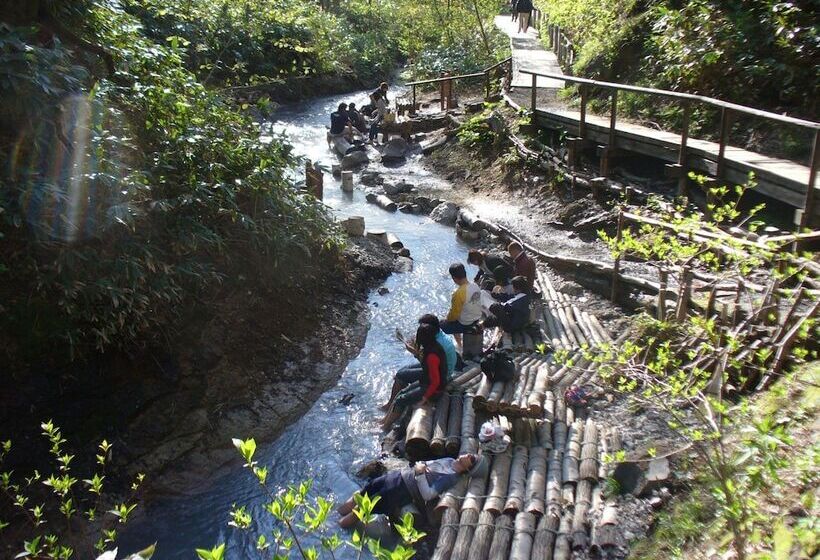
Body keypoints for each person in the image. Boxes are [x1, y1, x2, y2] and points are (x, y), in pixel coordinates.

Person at [337, 453, 486, 528]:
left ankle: (335, 528)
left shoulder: (450, 478)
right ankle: (333, 518)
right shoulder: (449, 460)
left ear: (469, 468)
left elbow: (428, 494)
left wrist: (421, 474)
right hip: (398, 476)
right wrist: (420, 466)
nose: (467, 455)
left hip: (401, 490)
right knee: (360, 494)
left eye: (471, 458)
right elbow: (423, 464)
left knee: (361, 508)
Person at [379, 315, 460, 412]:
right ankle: (395, 402)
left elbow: (429, 366)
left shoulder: (435, 346)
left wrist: (415, 352)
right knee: (403, 371)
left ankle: (392, 405)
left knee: (400, 375)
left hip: (442, 373)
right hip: (443, 368)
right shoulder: (439, 336)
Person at [380, 323, 448, 430]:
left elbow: (436, 381)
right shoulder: (432, 347)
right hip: (426, 381)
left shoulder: (432, 356)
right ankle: (384, 421)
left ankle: (385, 427)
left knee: (401, 400)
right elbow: (426, 367)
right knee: (400, 394)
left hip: (434, 389)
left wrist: (425, 398)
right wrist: (416, 353)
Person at [440, 263, 482, 336]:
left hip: (466, 324)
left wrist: (446, 319)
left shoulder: (458, 294)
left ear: (454, 278)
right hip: (477, 317)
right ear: (465, 274)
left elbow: (453, 317)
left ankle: (457, 344)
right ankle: (459, 342)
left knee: (441, 324)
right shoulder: (475, 286)